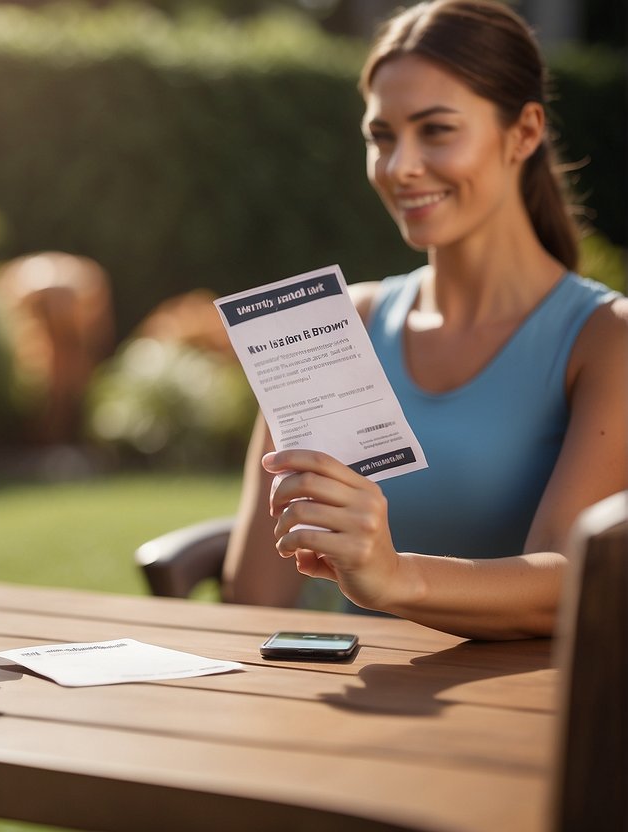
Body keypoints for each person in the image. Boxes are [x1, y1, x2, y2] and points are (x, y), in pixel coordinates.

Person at [223, 0, 628, 640]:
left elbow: (565, 585)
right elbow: (252, 600)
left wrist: (392, 576)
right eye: (381, 137)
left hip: (528, 721)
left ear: (523, 133)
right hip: (360, 712)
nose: (400, 166)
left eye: (436, 129)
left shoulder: (607, 339)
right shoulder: (333, 326)